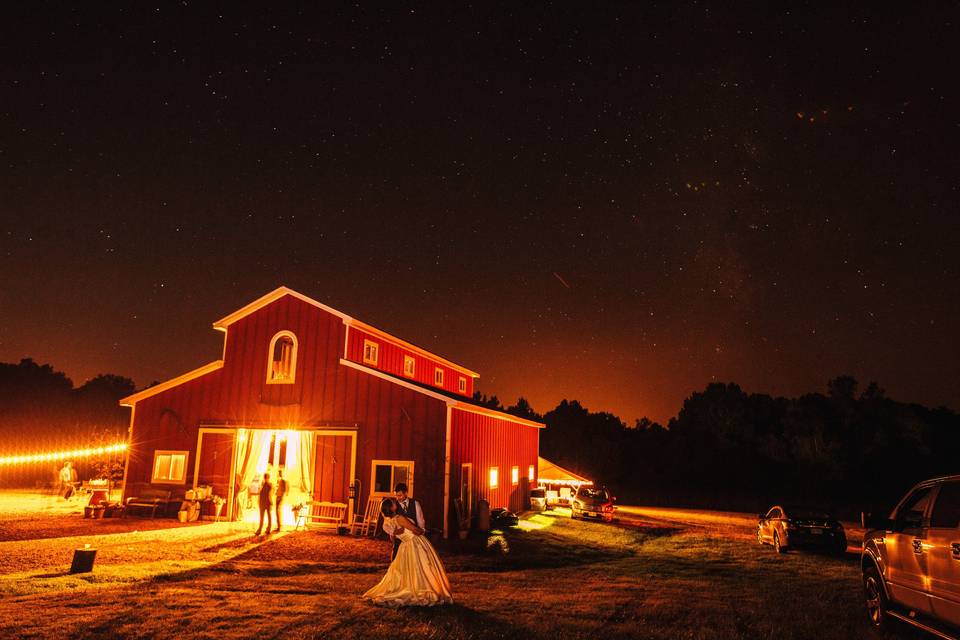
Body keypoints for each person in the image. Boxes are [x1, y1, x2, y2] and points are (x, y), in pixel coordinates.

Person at [362, 498, 452, 607]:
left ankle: (414, 587)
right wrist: (423, 531)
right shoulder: (399, 518)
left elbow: (393, 537)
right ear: (392, 507)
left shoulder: (387, 523)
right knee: (422, 567)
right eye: (394, 503)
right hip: (414, 542)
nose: (396, 503)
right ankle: (422, 589)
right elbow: (415, 529)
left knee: (408, 570)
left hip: (404, 545)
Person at [384, 482, 424, 560]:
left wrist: (421, 531)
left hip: (413, 536)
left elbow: (420, 519)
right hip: (400, 538)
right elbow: (389, 523)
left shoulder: (415, 503)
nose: (398, 498)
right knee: (397, 557)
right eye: (396, 496)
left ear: (406, 493)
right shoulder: (393, 506)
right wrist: (393, 534)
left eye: (400, 495)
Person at [254, 472, 273, 536]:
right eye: (265, 478)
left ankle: (263, 529)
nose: (265, 479)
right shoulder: (265, 484)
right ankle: (265, 529)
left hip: (265, 503)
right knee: (266, 516)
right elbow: (261, 493)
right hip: (265, 503)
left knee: (265, 516)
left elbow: (268, 494)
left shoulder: (269, 485)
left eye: (266, 478)